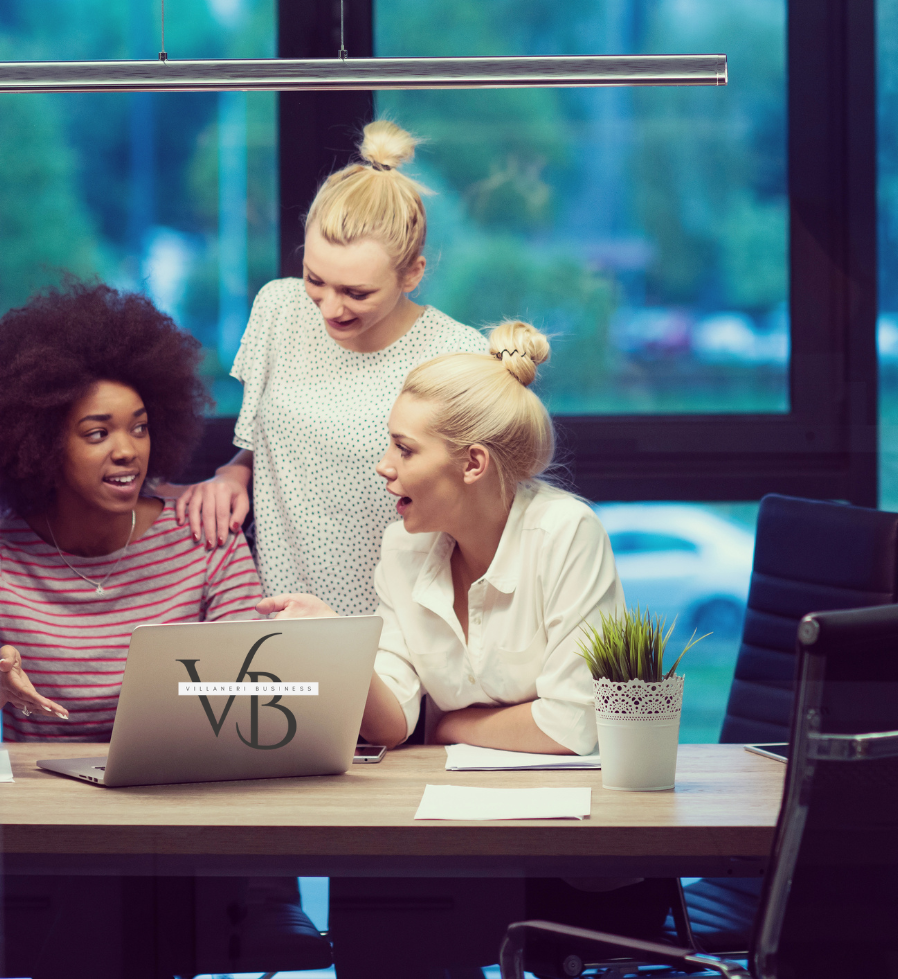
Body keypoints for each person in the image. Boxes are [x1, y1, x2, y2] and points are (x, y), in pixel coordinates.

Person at [259, 322, 673, 976]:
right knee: (378, 895)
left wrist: (449, 724)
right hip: (457, 841)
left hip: (572, 858)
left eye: (403, 448)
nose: (383, 465)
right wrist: (336, 643)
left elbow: (572, 722)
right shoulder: (405, 546)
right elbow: (394, 720)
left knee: (405, 903)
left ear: (472, 463)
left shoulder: (566, 533)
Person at [0, 282, 297, 979]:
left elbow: (257, 685)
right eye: (97, 433)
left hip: (183, 836)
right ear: (34, 442)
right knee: (108, 897)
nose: (127, 451)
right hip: (47, 850)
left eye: (139, 425)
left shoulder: (203, 530)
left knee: (140, 888)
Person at [174, 119, 488, 614]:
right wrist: (234, 473)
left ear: (413, 273)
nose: (329, 307)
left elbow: (476, 504)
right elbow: (279, 442)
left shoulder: (456, 351)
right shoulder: (278, 307)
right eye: (315, 279)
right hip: (280, 608)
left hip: (402, 622)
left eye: (357, 293)